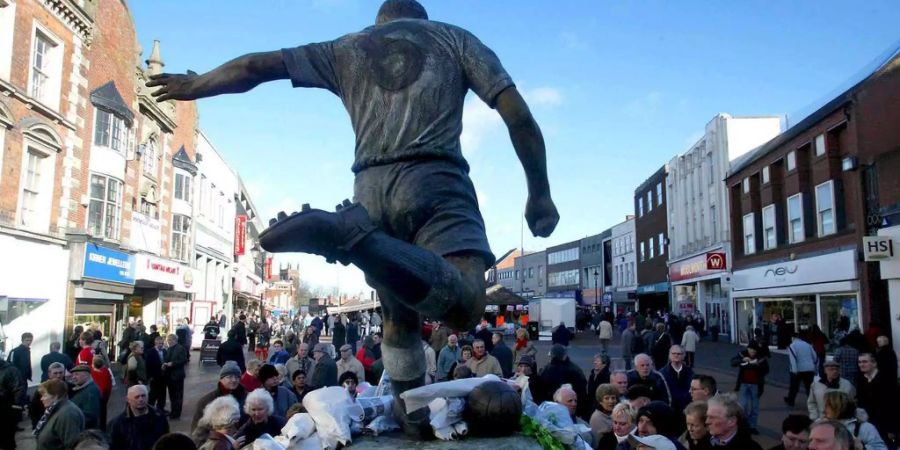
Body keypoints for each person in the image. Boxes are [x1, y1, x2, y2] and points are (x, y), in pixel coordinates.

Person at [856, 352, 900, 445]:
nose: (861, 364)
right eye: (859, 362)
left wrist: (892, 429)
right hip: (868, 424)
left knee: (890, 445)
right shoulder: (861, 379)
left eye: (864, 362)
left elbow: (894, 404)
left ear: (874, 363)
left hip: (886, 425)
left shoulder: (887, 379)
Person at [108, 385, 170, 450]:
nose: (141, 399)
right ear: (128, 400)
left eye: (143, 396)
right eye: (137, 397)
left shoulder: (159, 417)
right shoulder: (119, 423)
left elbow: (167, 441)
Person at [821, 390, 887, 450]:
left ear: (839, 407)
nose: (824, 410)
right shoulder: (820, 425)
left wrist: (862, 447)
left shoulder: (865, 427)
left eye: (828, 406)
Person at [192, 361, 248, 429]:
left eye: (237, 377)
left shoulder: (247, 399)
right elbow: (197, 428)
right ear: (221, 379)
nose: (234, 380)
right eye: (229, 377)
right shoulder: (207, 401)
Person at [539, 344, 589, 418]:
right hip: (573, 409)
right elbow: (582, 390)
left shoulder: (546, 370)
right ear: (564, 355)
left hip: (551, 409)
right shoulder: (575, 369)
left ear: (552, 356)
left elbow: (540, 390)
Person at [34, 379, 85, 450]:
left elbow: (72, 445)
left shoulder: (67, 414)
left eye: (44, 395)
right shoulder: (55, 409)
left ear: (55, 396)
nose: (41, 399)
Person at [730, 341, 768, 434]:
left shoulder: (761, 357)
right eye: (751, 349)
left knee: (754, 407)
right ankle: (744, 425)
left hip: (756, 385)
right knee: (743, 406)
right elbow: (732, 362)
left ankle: (753, 426)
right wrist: (742, 360)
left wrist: (757, 365)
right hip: (744, 383)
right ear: (748, 348)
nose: (752, 351)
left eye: (754, 350)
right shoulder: (742, 354)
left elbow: (766, 370)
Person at [785, 333, 818, 407]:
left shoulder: (792, 346)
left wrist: (794, 370)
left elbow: (792, 359)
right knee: (809, 386)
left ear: (793, 338)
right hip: (810, 368)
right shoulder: (808, 345)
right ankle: (812, 401)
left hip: (798, 369)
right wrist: (814, 366)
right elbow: (815, 357)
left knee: (794, 386)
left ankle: (791, 400)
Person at [660, 345, 694, 414]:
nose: (676, 355)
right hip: (668, 409)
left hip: (686, 409)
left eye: (679, 354)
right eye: (673, 353)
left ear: (684, 355)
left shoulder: (690, 373)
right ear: (669, 355)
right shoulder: (662, 373)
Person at [162, 334, 188, 419]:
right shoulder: (169, 348)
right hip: (170, 376)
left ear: (174, 340)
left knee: (178, 396)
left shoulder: (180, 348)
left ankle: (176, 413)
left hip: (177, 376)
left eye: (169, 340)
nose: (168, 342)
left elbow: (184, 360)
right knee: (172, 395)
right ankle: (173, 411)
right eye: (168, 340)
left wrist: (173, 364)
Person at [69, 364, 102, 429]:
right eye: (73, 375)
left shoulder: (91, 391)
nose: (73, 377)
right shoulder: (84, 388)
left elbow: (91, 415)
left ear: (86, 375)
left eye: (77, 374)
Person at [9, 332, 33, 405]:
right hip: (16, 380)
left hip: (24, 378)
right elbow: (10, 364)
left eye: (30, 340)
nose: (29, 342)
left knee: (22, 396)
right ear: (22, 340)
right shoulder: (15, 351)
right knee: (17, 398)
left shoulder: (27, 351)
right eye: (27, 340)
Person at [145, 336, 167, 412]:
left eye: (162, 343)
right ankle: (150, 408)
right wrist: (150, 376)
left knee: (162, 393)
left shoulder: (164, 351)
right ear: (155, 342)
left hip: (163, 376)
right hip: (154, 376)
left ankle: (161, 408)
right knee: (153, 393)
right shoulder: (150, 352)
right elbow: (148, 365)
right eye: (159, 343)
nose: (161, 345)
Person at [91, 356, 113, 429]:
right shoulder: (106, 371)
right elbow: (110, 384)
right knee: (103, 414)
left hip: (95, 397)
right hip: (104, 396)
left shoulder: (92, 372)